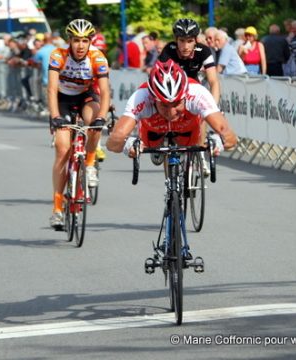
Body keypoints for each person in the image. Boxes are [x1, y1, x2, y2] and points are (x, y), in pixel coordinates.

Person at [106, 59, 237, 166]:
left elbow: (230, 137)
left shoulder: (198, 93)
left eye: (176, 103)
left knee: (191, 145)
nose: (171, 112)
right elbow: (113, 142)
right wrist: (126, 144)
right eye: (164, 105)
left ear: (185, 96)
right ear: (152, 98)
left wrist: (219, 140)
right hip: (153, 126)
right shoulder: (140, 97)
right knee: (150, 146)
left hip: (187, 125)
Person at [47, 19, 110, 230]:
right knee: (63, 150)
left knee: (94, 124)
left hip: (85, 97)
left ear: (90, 41)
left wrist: (102, 116)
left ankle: (90, 164)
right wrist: (55, 116)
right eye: (76, 40)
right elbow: (51, 89)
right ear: (69, 41)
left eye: (85, 40)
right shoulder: (58, 56)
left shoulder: (97, 57)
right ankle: (57, 209)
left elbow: (105, 91)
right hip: (62, 101)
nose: (80, 45)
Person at [158, 19, 220, 103]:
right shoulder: (168, 50)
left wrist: (214, 106)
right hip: (173, 91)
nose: (186, 46)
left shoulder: (203, 51)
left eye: (190, 41)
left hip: (194, 88)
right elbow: (159, 78)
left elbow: (213, 81)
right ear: (176, 39)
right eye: (182, 41)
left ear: (196, 40)